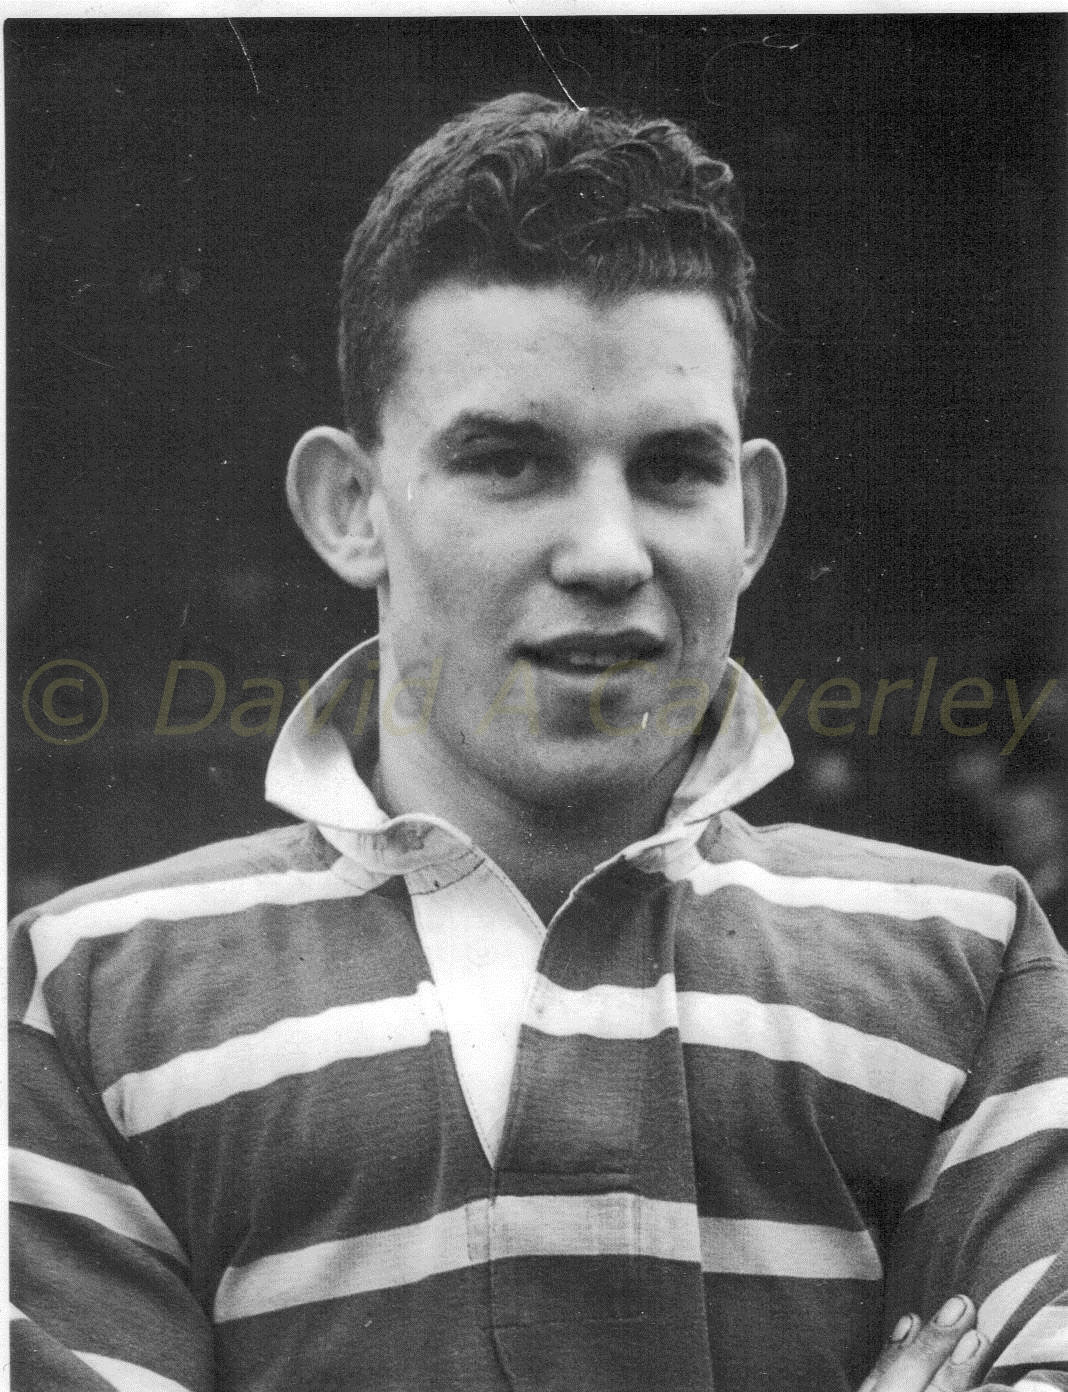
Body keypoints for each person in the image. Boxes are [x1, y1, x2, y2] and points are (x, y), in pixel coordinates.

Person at [9, 92, 1067, 1392]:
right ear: (351, 506)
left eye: (673, 468)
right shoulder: (86, 1004)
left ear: (750, 515)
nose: (609, 554)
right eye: (511, 462)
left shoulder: (974, 969)